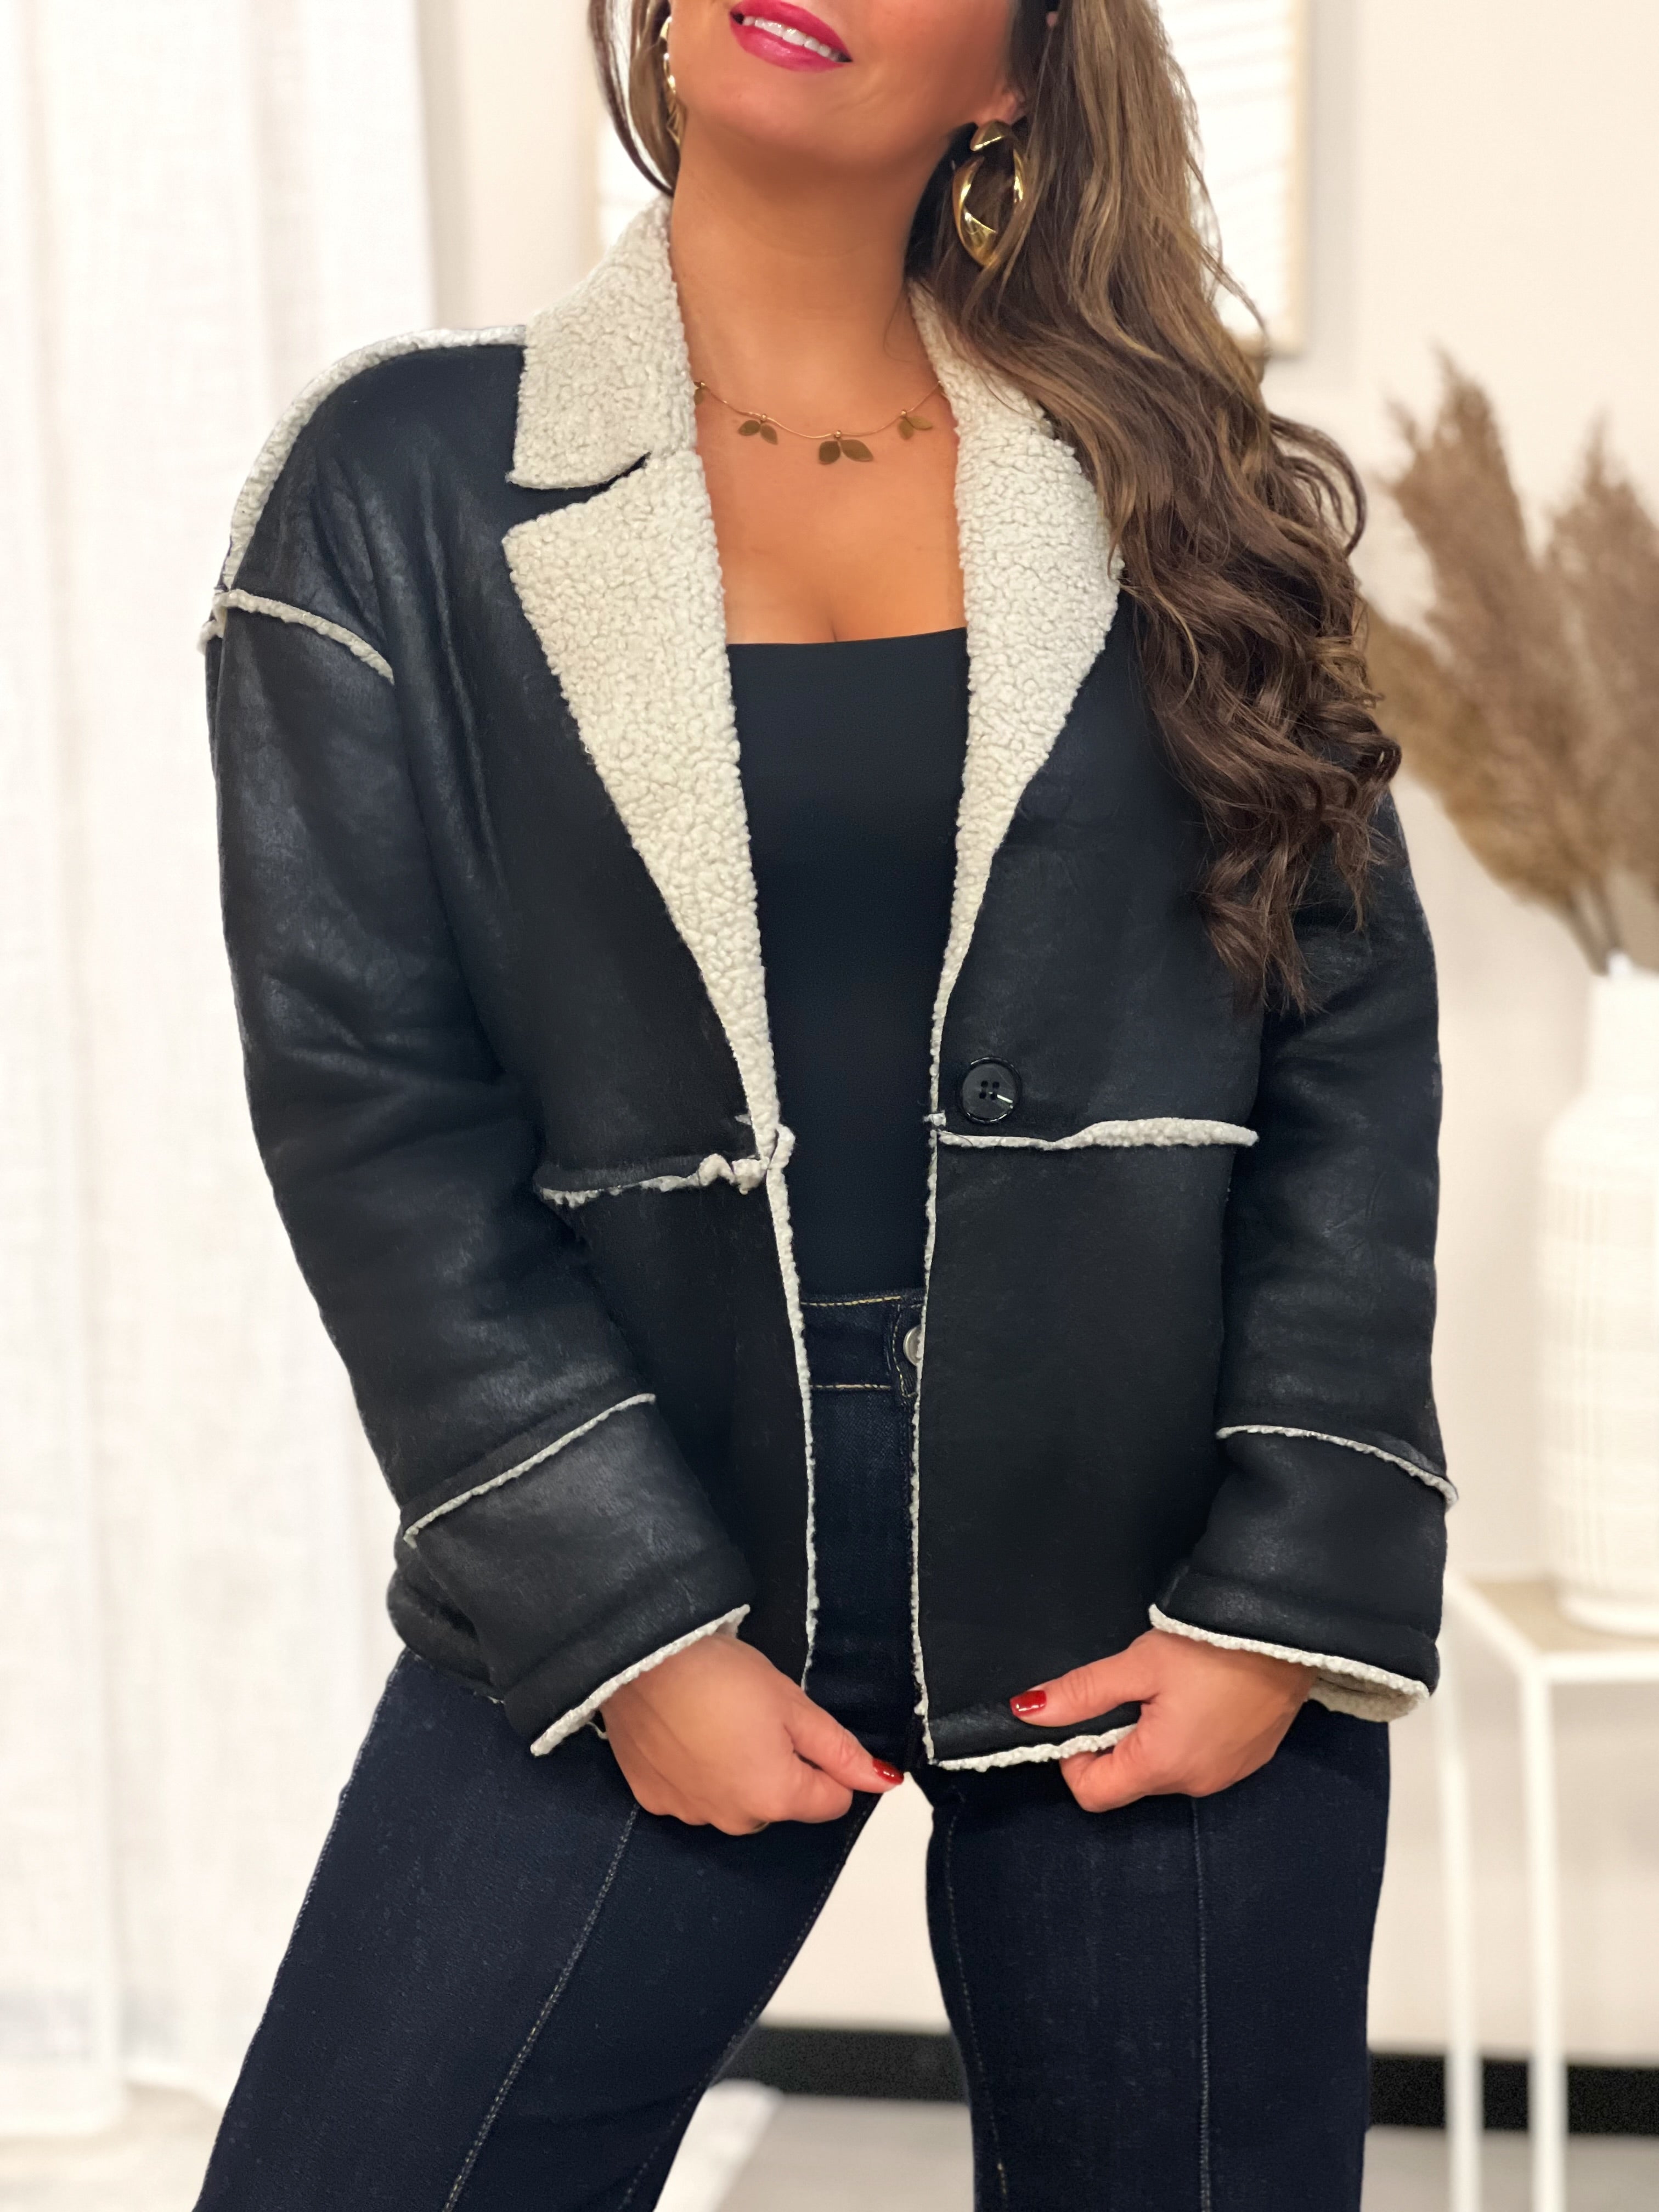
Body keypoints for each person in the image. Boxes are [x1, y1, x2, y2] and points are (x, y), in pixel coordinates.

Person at [193, 2, 1448, 2205]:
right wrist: (622, 1614)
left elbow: (1346, 1052)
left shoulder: (1185, 494)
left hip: (1151, 1564)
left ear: (1015, 77)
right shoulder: (396, 484)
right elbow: (370, 1104)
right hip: (647, 1497)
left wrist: (1281, 1591)